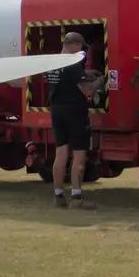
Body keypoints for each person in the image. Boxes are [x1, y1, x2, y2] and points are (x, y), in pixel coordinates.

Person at [45, 31, 99, 209]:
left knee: (61, 154)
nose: (81, 51)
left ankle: (58, 196)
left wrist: (86, 73)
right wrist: (100, 80)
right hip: (74, 112)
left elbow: (65, 78)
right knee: (79, 155)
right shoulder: (73, 62)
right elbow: (87, 91)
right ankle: (76, 198)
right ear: (75, 46)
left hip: (56, 111)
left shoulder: (53, 62)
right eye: (81, 47)